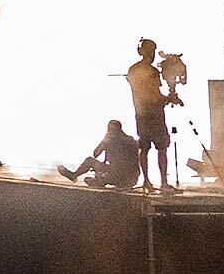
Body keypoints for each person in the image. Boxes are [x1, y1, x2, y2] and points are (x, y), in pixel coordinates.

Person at [128, 39, 182, 190]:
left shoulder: (135, 70)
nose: (152, 55)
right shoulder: (149, 72)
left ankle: (148, 181)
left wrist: (167, 98)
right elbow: (154, 96)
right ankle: (162, 182)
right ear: (143, 51)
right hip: (152, 114)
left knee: (146, 147)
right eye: (150, 51)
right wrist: (169, 98)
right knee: (159, 148)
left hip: (143, 114)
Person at [61, 121, 145, 190]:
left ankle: (98, 180)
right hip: (125, 177)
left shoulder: (127, 141)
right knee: (90, 162)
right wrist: (104, 142)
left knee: (92, 176)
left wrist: (105, 142)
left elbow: (97, 154)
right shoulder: (125, 140)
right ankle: (76, 176)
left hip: (124, 177)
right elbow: (95, 154)